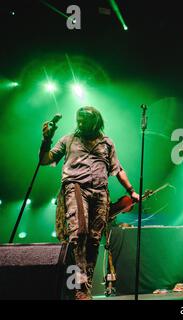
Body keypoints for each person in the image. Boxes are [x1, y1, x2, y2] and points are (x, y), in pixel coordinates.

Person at [40, 106, 139, 300]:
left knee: (94, 239)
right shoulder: (69, 139)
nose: (81, 123)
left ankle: (84, 288)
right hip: (76, 186)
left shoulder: (107, 143)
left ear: (95, 122)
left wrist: (131, 191)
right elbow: (45, 159)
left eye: (85, 120)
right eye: (79, 119)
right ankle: (76, 287)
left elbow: (118, 169)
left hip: (101, 192)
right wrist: (46, 139)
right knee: (78, 234)